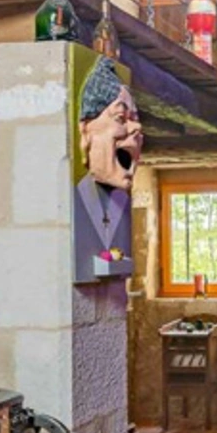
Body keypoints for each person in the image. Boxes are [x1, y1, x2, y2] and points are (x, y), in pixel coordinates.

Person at [72, 56, 143, 280]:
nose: (137, 127)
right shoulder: (72, 199)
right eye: (121, 118)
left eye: (135, 118)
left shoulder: (121, 201)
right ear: (86, 129)